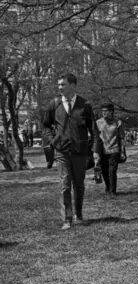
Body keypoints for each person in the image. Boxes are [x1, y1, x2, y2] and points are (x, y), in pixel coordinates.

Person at [41, 73, 96, 230]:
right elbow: (45, 126)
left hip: (80, 151)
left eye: (63, 84)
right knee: (65, 184)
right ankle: (67, 218)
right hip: (62, 151)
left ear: (73, 85)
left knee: (79, 185)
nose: (59, 87)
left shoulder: (85, 104)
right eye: (59, 84)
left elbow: (93, 129)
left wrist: (93, 149)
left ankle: (78, 214)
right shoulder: (54, 104)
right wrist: (53, 141)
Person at [94, 102, 125, 196]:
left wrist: (123, 151)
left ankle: (113, 191)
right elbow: (95, 138)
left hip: (114, 150)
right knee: (104, 171)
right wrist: (95, 152)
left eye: (106, 111)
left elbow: (121, 137)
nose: (104, 113)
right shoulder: (98, 122)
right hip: (102, 150)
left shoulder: (118, 122)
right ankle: (108, 187)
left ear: (111, 111)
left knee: (112, 171)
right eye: (102, 111)